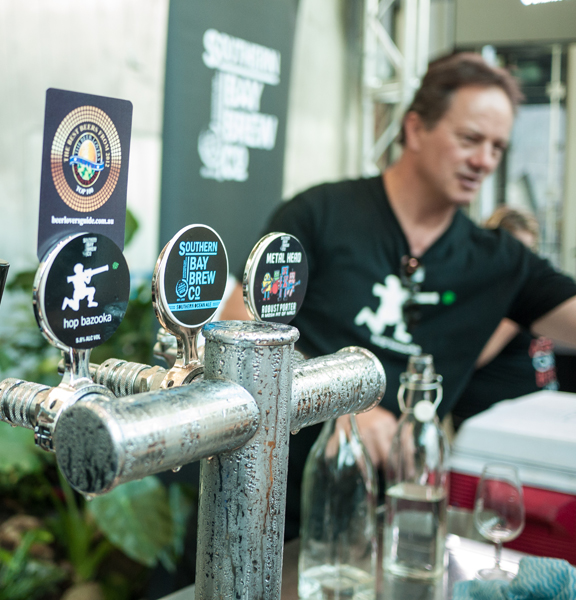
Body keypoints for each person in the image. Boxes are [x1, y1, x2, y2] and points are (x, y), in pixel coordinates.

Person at [220, 52, 576, 540]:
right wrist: (341, 402)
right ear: (414, 129)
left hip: (392, 522)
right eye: (470, 139)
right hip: (268, 506)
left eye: (497, 147)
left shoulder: (500, 262)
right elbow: (239, 326)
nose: (485, 161)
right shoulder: (322, 213)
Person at [453, 206, 558, 425]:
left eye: (530, 253)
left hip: (537, 412)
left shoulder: (529, 296)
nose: (522, 264)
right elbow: (469, 357)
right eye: (516, 253)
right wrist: (516, 318)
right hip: (493, 419)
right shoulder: (487, 298)